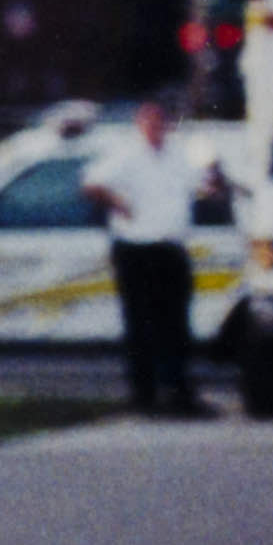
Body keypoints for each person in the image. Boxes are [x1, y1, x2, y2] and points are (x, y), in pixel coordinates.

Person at [85, 92, 208, 417]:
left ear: (168, 124)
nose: (156, 126)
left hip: (170, 249)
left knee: (177, 325)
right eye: (149, 121)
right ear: (140, 123)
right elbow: (91, 185)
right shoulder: (125, 154)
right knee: (140, 325)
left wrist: (216, 178)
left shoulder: (178, 155)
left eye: (161, 121)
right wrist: (118, 204)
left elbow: (202, 185)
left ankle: (179, 394)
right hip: (135, 250)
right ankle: (145, 396)